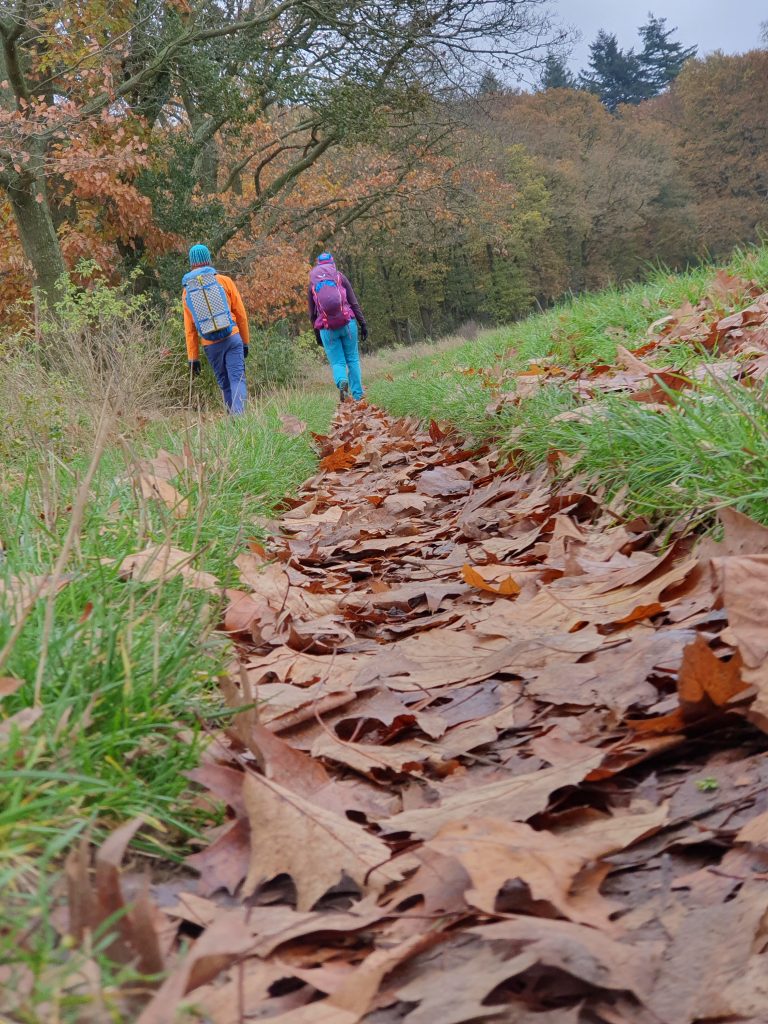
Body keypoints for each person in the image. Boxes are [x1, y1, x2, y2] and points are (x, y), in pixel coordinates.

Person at [182, 244, 250, 415]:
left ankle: (232, 424)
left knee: (225, 384)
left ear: (192, 264)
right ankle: (239, 418)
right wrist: (245, 342)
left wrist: (193, 358)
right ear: (208, 260)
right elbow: (241, 315)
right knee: (237, 380)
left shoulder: (187, 291)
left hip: (210, 344)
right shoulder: (224, 281)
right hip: (232, 337)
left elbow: (189, 329)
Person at [308, 252, 367, 403]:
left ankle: (342, 382)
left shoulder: (313, 284)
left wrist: (317, 335)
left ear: (319, 266)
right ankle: (358, 396)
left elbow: (312, 315)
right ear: (332, 263)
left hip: (327, 328)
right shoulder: (340, 277)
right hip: (348, 324)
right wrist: (363, 323)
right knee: (352, 359)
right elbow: (354, 303)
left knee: (337, 362)